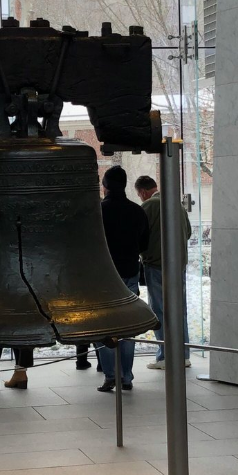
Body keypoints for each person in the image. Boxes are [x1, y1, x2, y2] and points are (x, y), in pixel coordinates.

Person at [96, 166, 150, 392]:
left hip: (102, 276)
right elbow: (144, 244)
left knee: (103, 325)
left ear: (105, 186)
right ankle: (126, 376)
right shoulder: (137, 211)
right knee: (127, 327)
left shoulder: (97, 212)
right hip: (129, 273)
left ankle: (110, 375)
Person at [135, 175, 192, 370]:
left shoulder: (148, 206)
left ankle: (165, 356)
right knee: (179, 310)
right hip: (179, 266)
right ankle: (183, 355)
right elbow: (189, 232)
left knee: (160, 311)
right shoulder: (177, 206)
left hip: (157, 265)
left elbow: (140, 236)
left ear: (142, 192)